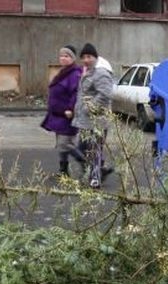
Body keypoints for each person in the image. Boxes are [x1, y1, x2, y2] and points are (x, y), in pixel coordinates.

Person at [72, 43, 114, 189]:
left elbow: (105, 94)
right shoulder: (87, 72)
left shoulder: (101, 73)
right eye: (83, 57)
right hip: (85, 121)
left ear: (95, 57)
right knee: (81, 150)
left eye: (89, 56)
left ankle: (94, 179)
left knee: (94, 151)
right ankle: (94, 173)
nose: (86, 59)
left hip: (97, 121)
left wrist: (90, 108)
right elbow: (83, 94)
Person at [41, 45, 85, 177]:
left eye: (66, 56)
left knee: (65, 143)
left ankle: (86, 162)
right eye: (61, 56)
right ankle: (63, 171)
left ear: (72, 58)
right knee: (61, 144)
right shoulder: (63, 72)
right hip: (58, 114)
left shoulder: (74, 74)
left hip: (67, 115)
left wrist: (71, 109)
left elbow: (76, 93)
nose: (63, 58)